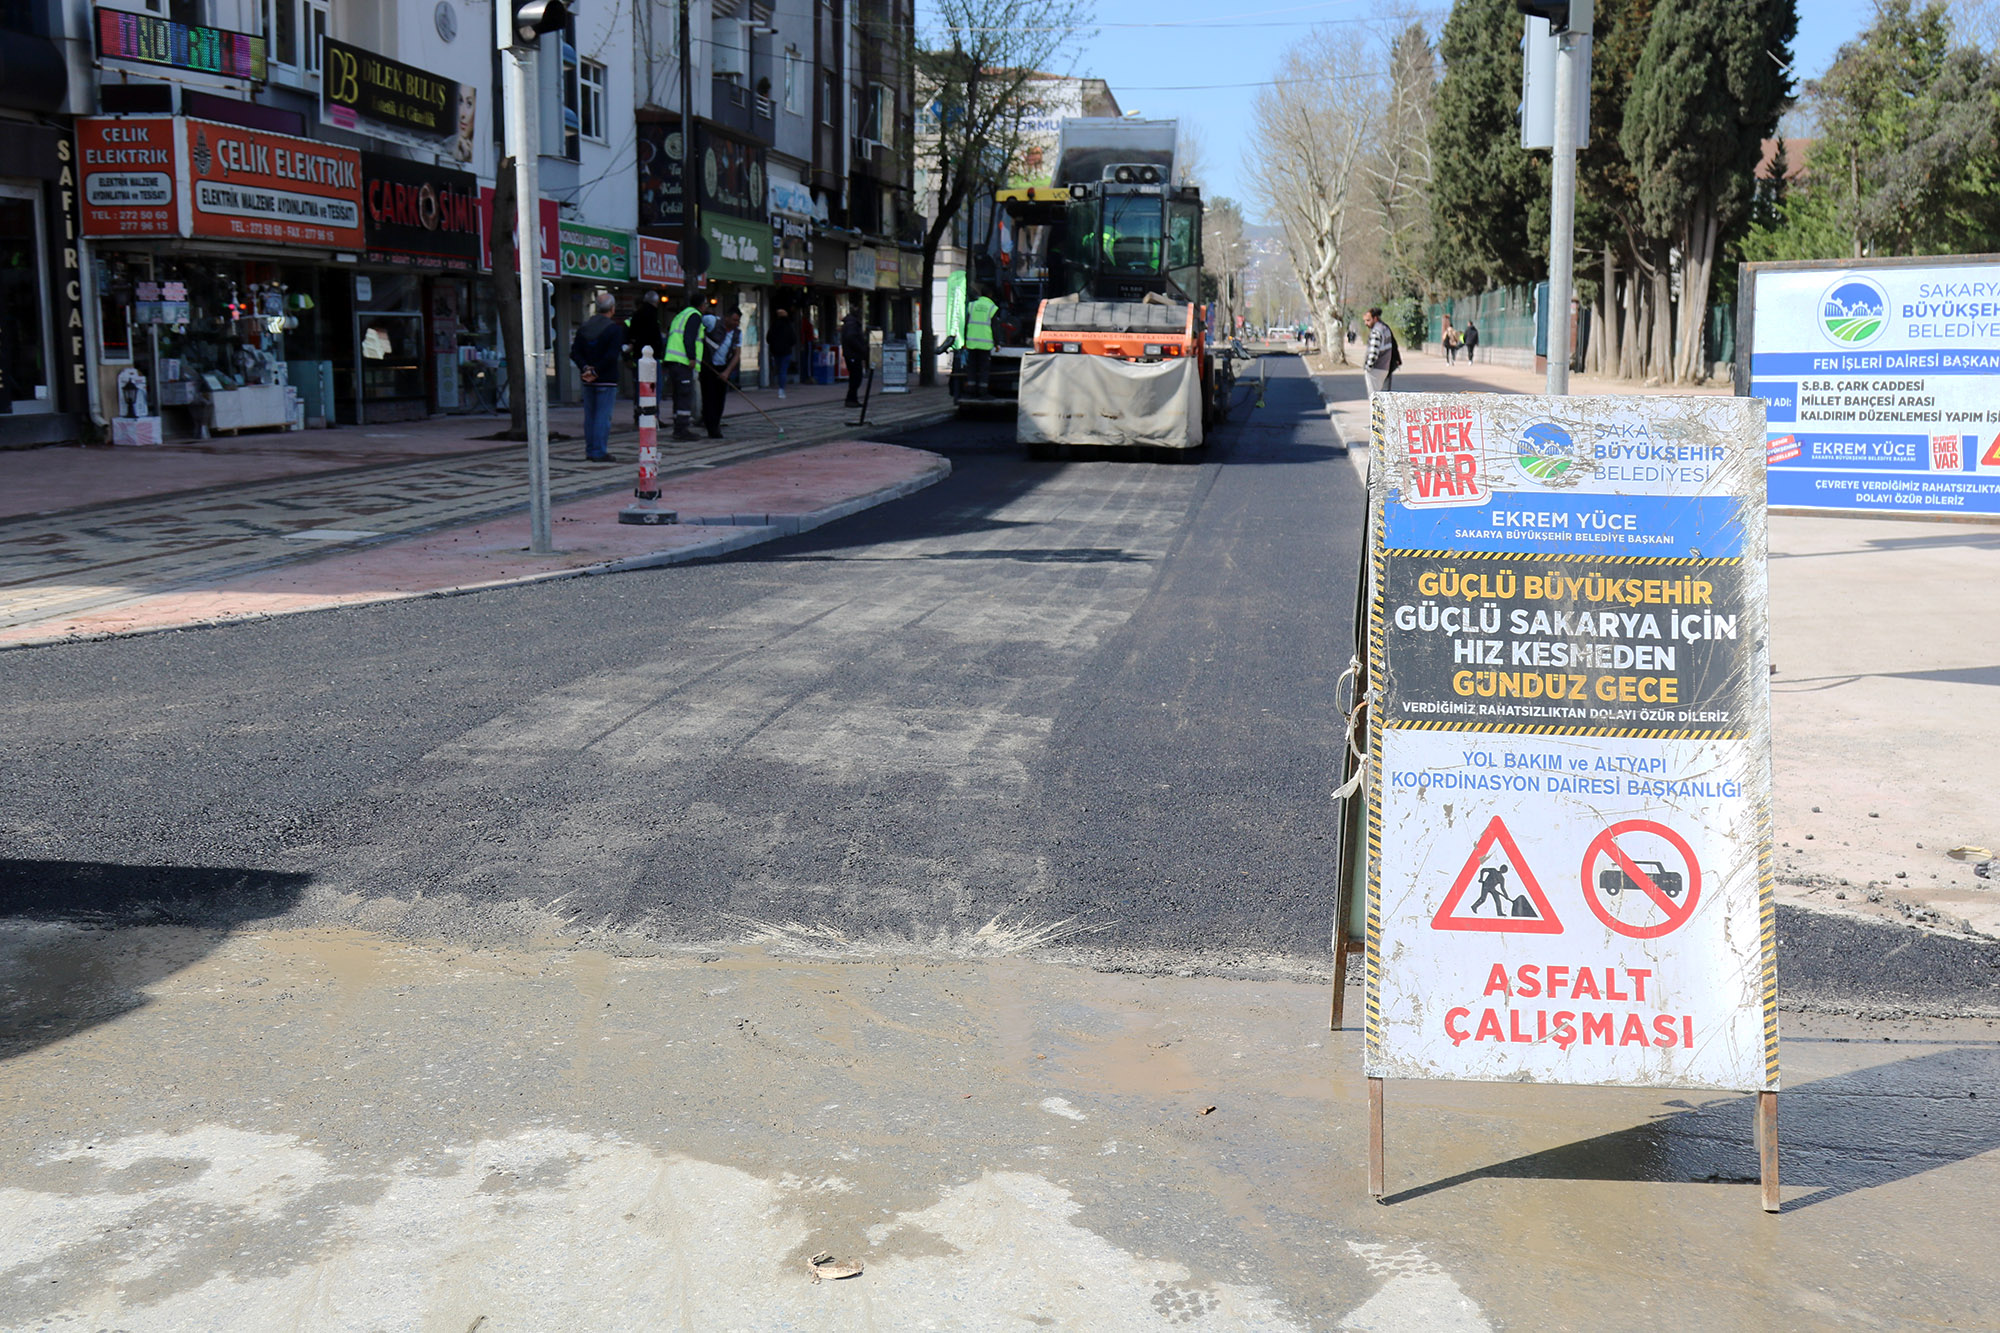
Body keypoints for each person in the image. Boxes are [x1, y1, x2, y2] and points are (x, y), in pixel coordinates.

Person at [569, 291, 623, 461]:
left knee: (590, 416)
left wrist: (586, 368)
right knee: (602, 416)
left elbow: (575, 352)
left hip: (587, 379)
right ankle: (599, 451)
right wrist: (596, 370)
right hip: (606, 378)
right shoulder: (614, 330)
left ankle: (591, 449)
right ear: (612, 309)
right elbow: (612, 355)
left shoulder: (584, 328)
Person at [660, 292, 703, 441]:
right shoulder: (694, 315)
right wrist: (692, 357)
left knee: (678, 395)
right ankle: (682, 429)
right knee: (685, 395)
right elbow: (689, 337)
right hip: (682, 361)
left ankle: (678, 426)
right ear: (702, 305)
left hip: (673, 360)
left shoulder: (680, 315)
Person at [701, 305, 743, 438]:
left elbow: (737, 355)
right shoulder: (712, 321)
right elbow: (696, 321)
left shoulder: (737, 333)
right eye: (734, 320)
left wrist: (727, 372)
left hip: (723, 367)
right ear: (726, 318)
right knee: (709, 398)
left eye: (738, 321)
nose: (736, 323)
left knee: (720, 399)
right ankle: (711, 428)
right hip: (708, 366)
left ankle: (716, 423)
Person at [626, 290, 664, 423]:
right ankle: (653, 417)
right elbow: (656, 337)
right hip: (652, 357)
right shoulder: (653, 315)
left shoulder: (636, 315)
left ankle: (640, 415)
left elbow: (631, 336)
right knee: (654, 388)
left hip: (639, 357)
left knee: (641, 387)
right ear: (656, 302)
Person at [963, 284, 998, 398]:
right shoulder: (992, 307)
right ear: (990, 295)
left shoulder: (972, 305)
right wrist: (997, 343)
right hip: (985, 343)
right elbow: (995, 327)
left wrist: (964, 341)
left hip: (972, 342)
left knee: (972, 367)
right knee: (984, 369)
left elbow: (966, 323)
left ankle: (970, 391)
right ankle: (983, 392)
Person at [1362, 306, 1401, 397]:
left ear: (1375, 318)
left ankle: (1377, 411)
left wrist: (1368, 367)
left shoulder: (1376, 331)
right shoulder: (1385, 328)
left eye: (1368, 320)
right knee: (1384, 396)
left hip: (1376, 368)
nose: (1366, 323)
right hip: (1385, 367)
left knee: (1374, 397)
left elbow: (1373, 351)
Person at [766, 306, 798, 399]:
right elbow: (793, 339)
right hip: (786, 351)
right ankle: (781, 389)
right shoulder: (789, 326)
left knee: (779, 368)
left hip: (776, 351)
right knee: (783, 370)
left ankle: (778, 384)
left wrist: (774, 345)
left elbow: (768, 338)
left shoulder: (774, 325)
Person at [839, 308, 867, 406]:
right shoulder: (852, 324)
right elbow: (851, 338)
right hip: (853, 355)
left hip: (851, 354)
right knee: (856, 377)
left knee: (855, 377)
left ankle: (852, 399)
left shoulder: (850, 323)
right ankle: (851, 399)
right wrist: (861, 349)